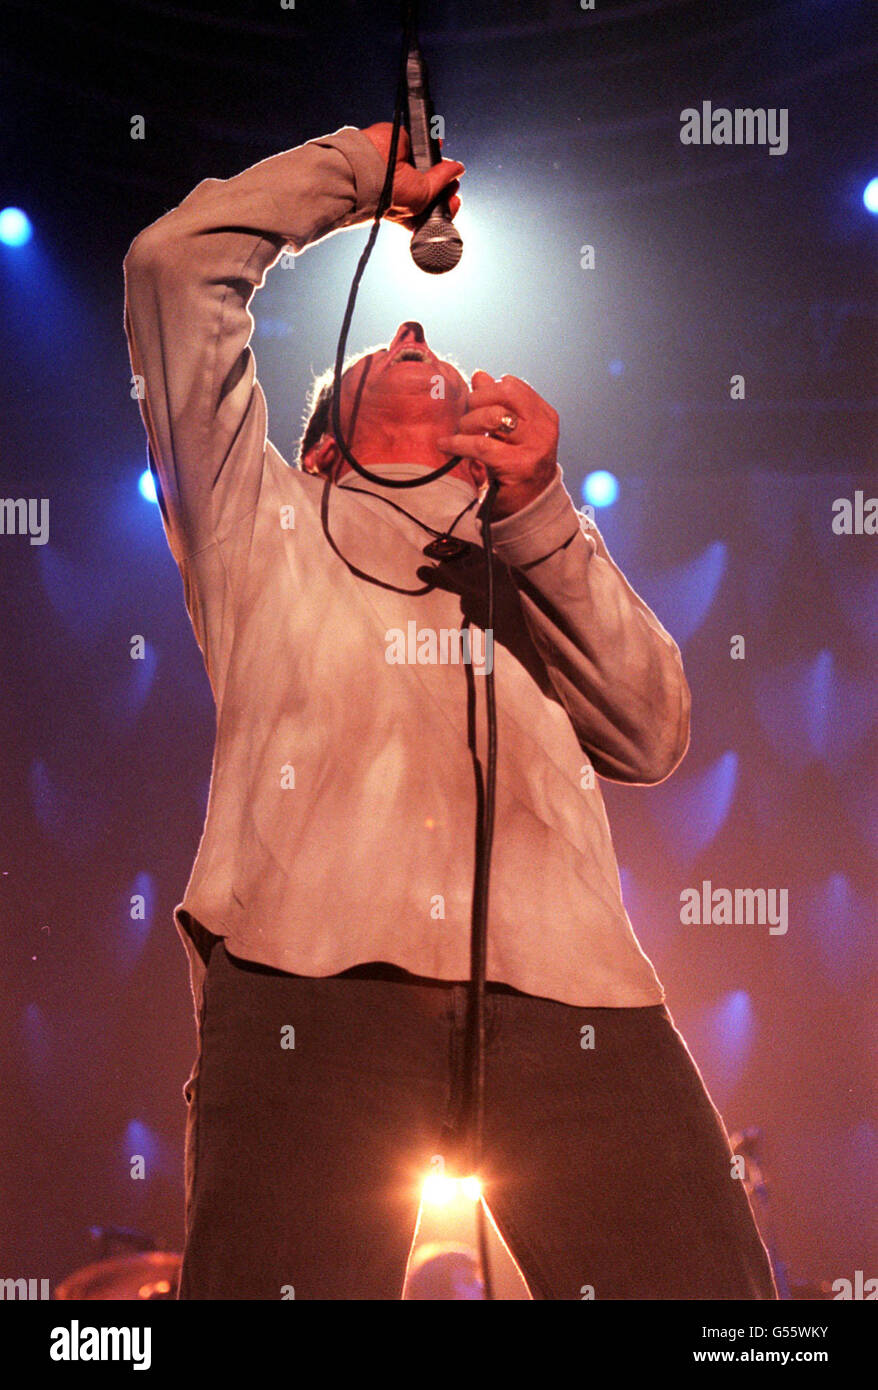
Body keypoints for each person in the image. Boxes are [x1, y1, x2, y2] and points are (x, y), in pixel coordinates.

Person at [123, 121, 777, 1300]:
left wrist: (536, 517)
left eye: (431, 339)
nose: (418, 328)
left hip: (575, 999)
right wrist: (354, 180)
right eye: (384, 347)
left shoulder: (532, 548)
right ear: (319, 449)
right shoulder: (260, 523)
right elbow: (173, 267)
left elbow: (651, 730)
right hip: (305, 992)